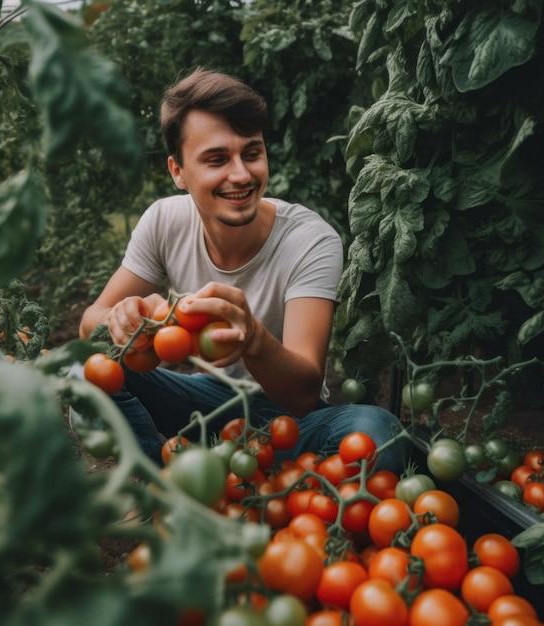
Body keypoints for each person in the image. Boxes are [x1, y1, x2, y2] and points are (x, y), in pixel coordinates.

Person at [77, 67, 411, 472]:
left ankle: (227, 472)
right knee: (88, 365)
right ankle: (160, 481)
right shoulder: (165, 220)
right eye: (217, 159)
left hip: (289, 418)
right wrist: (120, 316)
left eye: (251, 153)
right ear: (177, 172)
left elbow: (304, 393)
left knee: (377, 430)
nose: (241, 174)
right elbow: (89, 326)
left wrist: (252, 337)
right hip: (205, 402)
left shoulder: (310, 240)